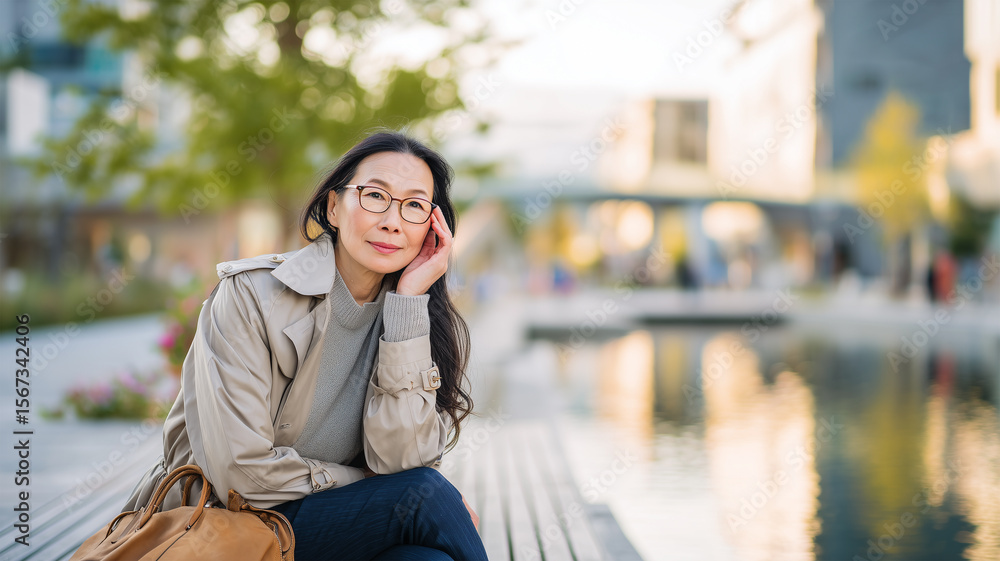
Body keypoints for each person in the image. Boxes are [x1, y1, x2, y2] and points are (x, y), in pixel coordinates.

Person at [121, 131, 487, 560]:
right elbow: (241, 477)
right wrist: (363, 479)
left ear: (432, 225)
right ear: (334, 207)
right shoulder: (250, 296)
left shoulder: (412, 318)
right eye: (375, 196)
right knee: (426, 496)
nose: (393, 220)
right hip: (226, 528)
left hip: (324, 532)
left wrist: (407, 308)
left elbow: (402, 462)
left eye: (414, 205)